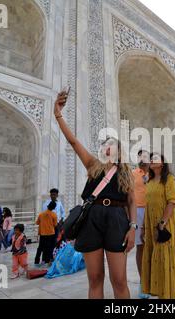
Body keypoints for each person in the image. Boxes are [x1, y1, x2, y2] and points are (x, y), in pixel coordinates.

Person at [54, 90, 137, 299]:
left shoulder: (126, 171)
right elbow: (73, 142)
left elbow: (131, 201)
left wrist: (133, 228)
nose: (108, 148)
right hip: (92, 219)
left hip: (117, 219)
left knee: (119, 280)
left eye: (112, 145)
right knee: (95, 278)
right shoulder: (93, 165)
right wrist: (58, 114)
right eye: (105, 145)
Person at [141, 153, 175, 299]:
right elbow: (147, 204)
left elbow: (171, 202)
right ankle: (158, 292)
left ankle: (169, 295)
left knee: (165, 257)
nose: (152, 160)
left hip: (165, 223)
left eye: (155, 158)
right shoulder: (150, 181)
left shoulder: (169, 179)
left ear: (162, 163)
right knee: (154, 258)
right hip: (151, 225)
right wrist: (144, 227)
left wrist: (162, 223)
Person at [132, 149, 151, 299]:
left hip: (153, 210)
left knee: (155, 245)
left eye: (144, 156)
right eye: (140, 156)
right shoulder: (133, 174)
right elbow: (128, 194)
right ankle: (143, 281)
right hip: (138, 211)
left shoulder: (154, 173)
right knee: (141, 246)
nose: (142, 159)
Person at [35, 201, 58, 267]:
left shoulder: (41, 214)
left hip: (42, 233)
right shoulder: (54, 215)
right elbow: (55, 224)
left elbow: (37, 222)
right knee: (49, 248)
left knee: (40, 248)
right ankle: (46, 261)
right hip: (50, 234)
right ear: (54, 207)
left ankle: (36, 262)